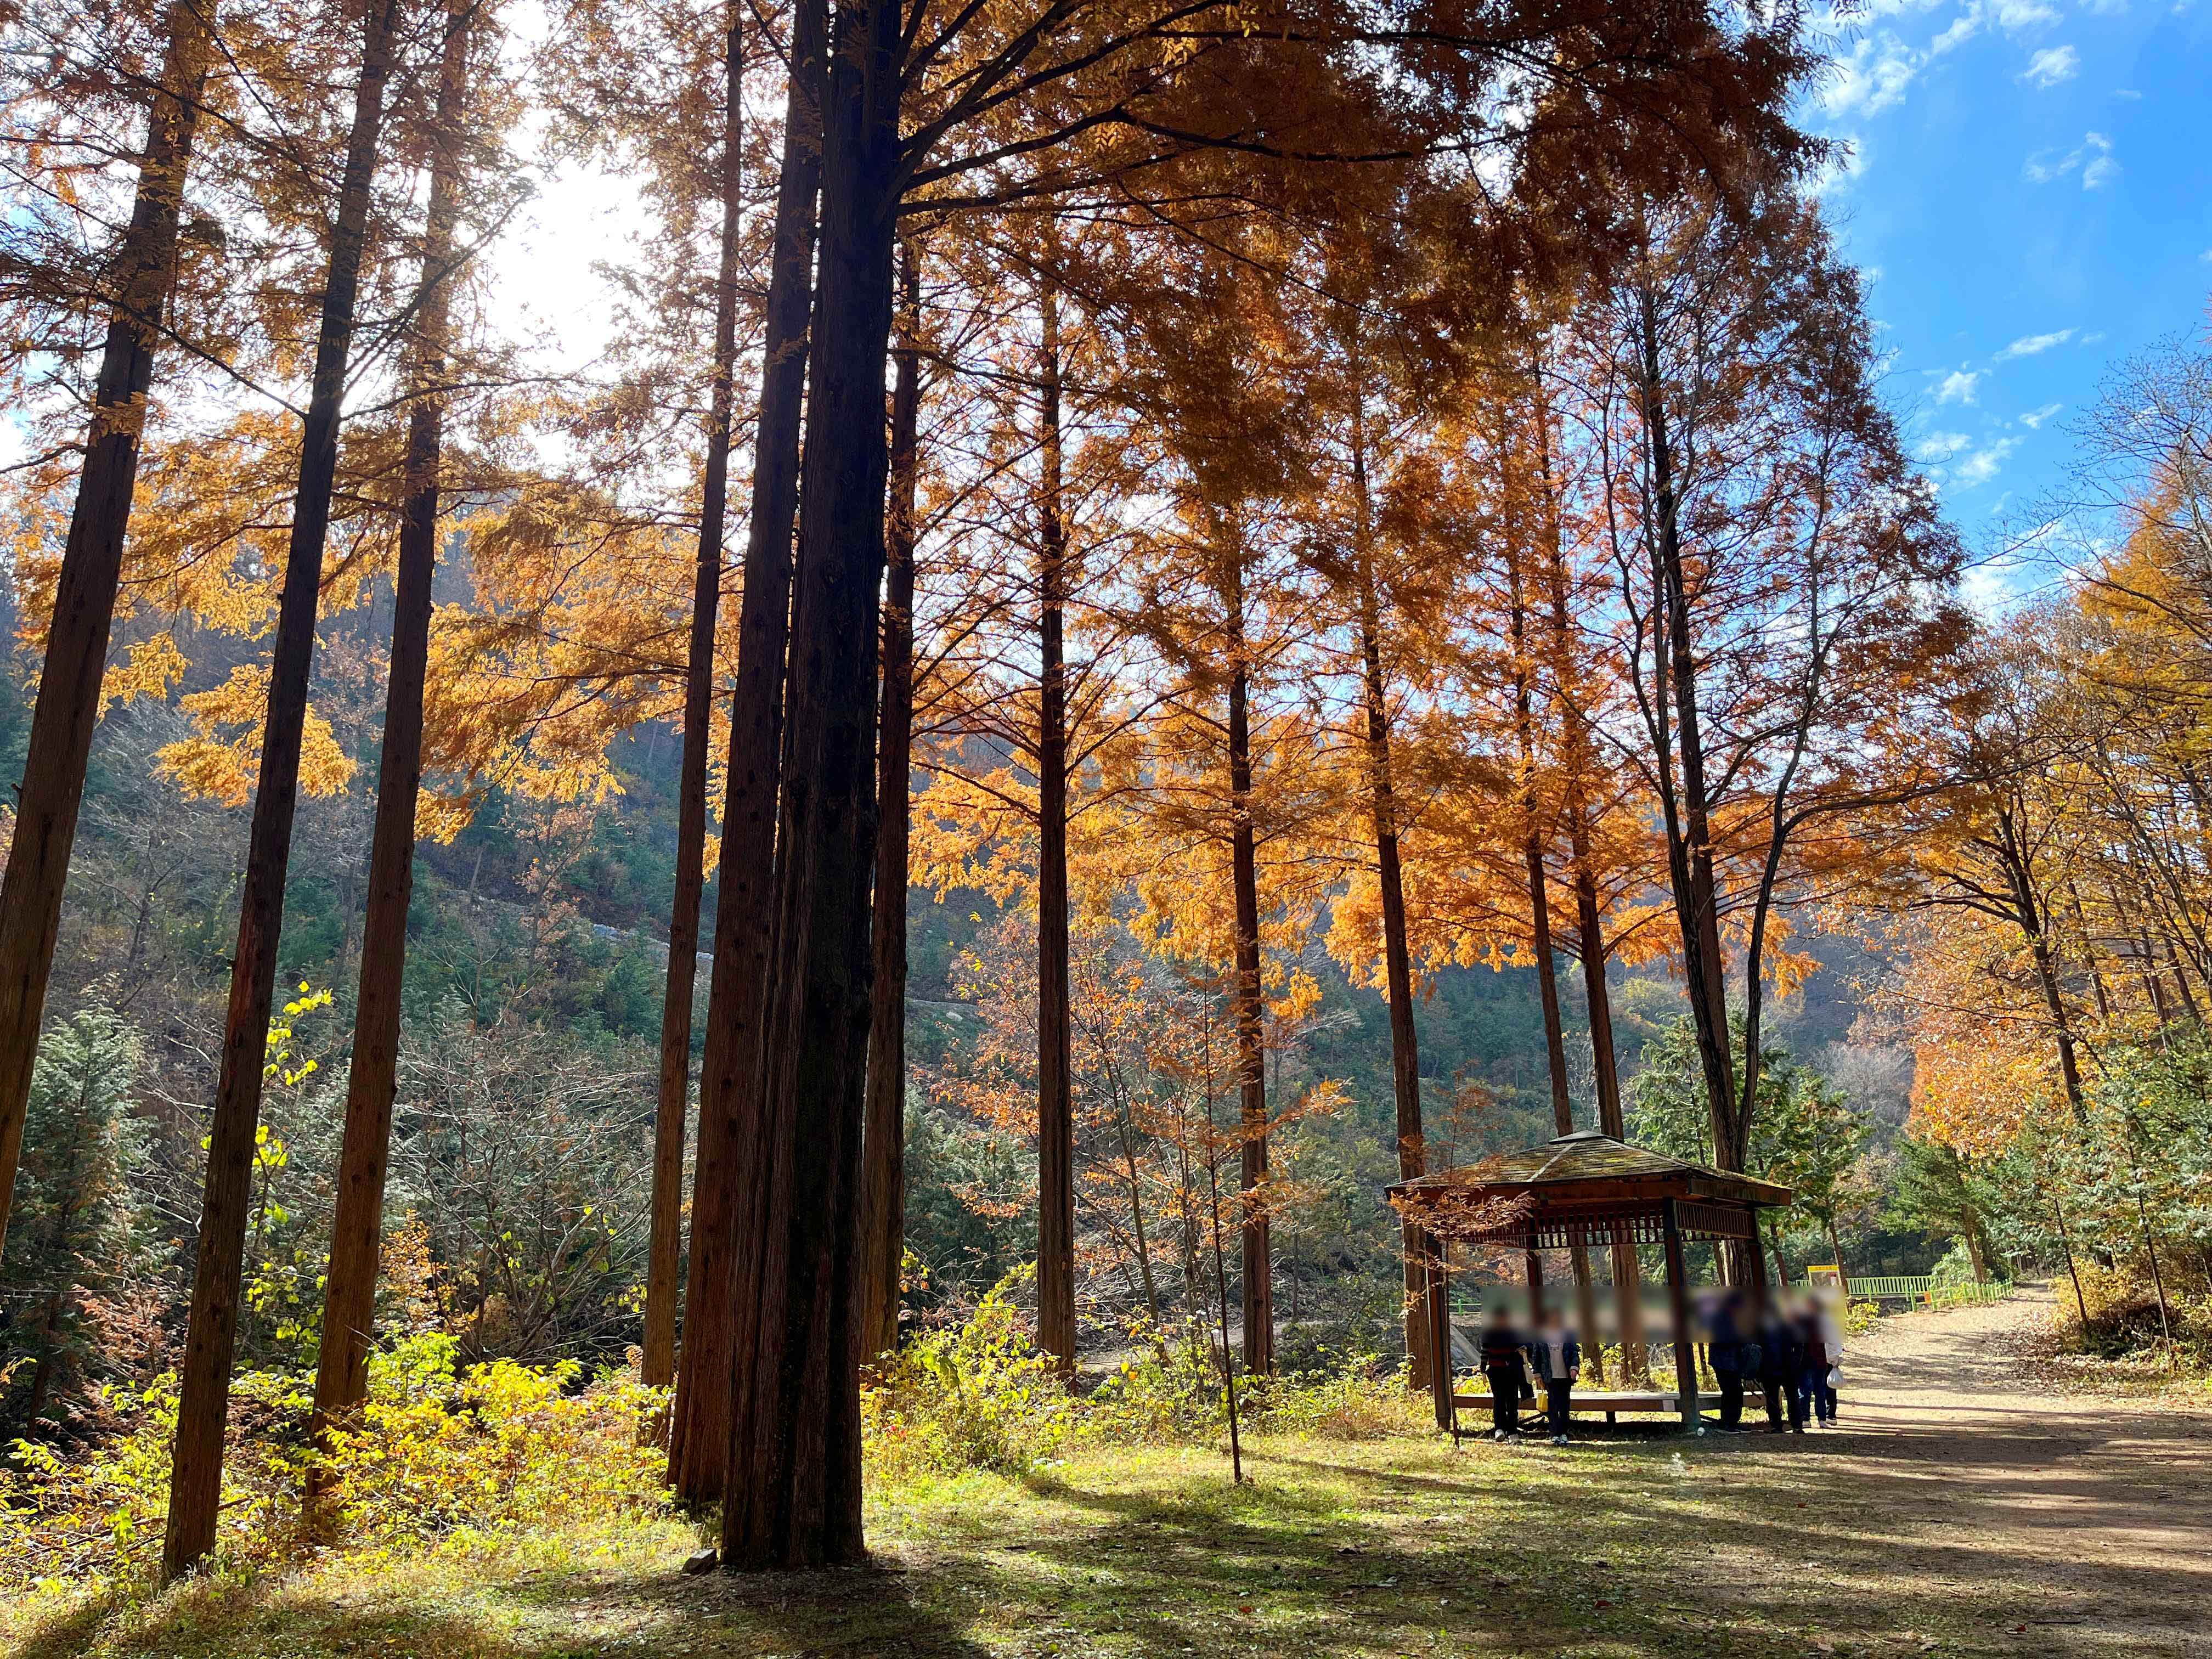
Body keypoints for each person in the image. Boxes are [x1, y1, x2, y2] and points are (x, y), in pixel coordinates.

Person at [1526, 1316, 1581, 1445]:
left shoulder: (1568, 1334)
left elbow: (1574, 1353)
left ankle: (1564, 1434)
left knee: (1565, 1406)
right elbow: (1536, 1356)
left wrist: (1574, 1368)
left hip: (1566, 1377)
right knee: (1553, 1406)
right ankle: (1555, 1434)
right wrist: (1538, 1375)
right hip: (1549, 1377)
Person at [1478, 1305, 1529, 1441]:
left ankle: (1512, 1431)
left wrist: (1522, 1350)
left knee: (1512, 1401)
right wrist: (1483, 1369)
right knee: (1499, 1400)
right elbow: (1485, 1352)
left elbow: (1523, 1347)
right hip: (1495, 1371)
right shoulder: (1489, 1333)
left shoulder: (1513, 1332)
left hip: (1511, 1371)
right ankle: (1499, 1429)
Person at [1704, 1290, 1748, 1431]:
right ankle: (1727, 1422)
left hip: (1731, 1361)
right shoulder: (1720, 1318)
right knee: (1730, 1391)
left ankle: (1734, 1421)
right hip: (1722, 1361)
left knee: (1736, 1391)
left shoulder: (1732, 1318)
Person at [1757, 1298, 1802, 1433]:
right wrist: (1796, 1362)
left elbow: (1757, 1349)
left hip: (1771, 1368)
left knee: (1773, 1397)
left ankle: (1777, 1425)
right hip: (1787, 1367)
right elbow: (1799, 1346)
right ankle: (1796, 1425)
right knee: (1792, 1397)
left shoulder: (1762, 1329)